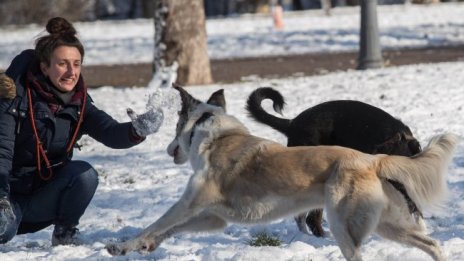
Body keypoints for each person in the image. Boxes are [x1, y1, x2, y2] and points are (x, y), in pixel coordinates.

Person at [0, 17, 161, 245]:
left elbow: (110, 132)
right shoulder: (13, 97)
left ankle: (65, 232)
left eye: (76, 64)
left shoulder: (78, 102)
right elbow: (2, 152)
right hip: (7, 198)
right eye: (62, 64)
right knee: (3, 231)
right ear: (44, 67)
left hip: (41, 198)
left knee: (85, 175)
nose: (71, 72)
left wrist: (138, 130)